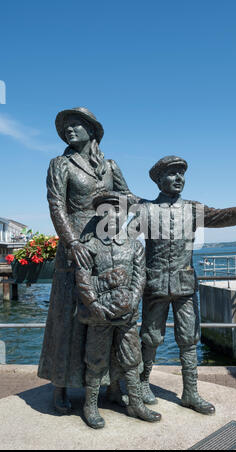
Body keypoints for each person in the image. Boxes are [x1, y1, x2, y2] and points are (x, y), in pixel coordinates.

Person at [131, 155, 236, 414]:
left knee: (189, 339)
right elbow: (124, 241)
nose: (179, 178)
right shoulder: (145, 210)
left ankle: (190, 392)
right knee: (150, 337)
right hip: (154, 284)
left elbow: (222, 216)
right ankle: (143, 382)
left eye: (182, 173)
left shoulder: (192, 209)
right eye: (172, 173)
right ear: (158, 180)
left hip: (185, 285)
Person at [38, 107, 133, 413]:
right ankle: (60, 386)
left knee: (110, 317)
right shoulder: (60, 164)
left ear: (92, 130)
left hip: (107, 249)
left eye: (76, 125)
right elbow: (56, 206)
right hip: (75, 250)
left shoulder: (111, 165)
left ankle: (112, 385)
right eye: (66, 126)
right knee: (67, 319)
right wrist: (72, 242)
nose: (69, 130)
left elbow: (127, 198)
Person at [75, 192, 161, 428]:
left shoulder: (135, 246)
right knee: (95, 359)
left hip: (127, 316)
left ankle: (135, 403)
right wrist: (94, 305)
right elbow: (82, 279)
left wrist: (133, 301)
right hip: (99, 316)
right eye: (106, 211)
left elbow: (139, 277)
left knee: (132, 358)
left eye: (118, 210)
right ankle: (90, 405)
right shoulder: (89, 246)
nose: (112, 215)